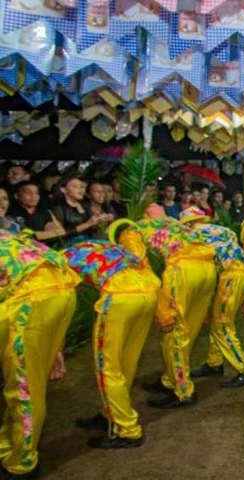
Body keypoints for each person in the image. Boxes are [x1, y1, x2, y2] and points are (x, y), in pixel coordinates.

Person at [109, 209, 217, 409]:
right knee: (190, 330)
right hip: (208, 270)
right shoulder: (175, 223)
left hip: (182, 272)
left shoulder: (130, 232)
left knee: (174, 332)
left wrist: (162, 311)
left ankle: (183, 391)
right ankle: (170, 379)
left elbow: (141, 266)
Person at [64, 239, 161, 449]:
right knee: (128, 360)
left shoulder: (65, 257)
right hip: (148, 294)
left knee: (108, 367)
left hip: (119, 299)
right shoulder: (107, 246)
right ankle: (111, 413)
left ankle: (127, 430)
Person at [0, 229, 81, 478]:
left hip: (31, 301)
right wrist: (55, 346)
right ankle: (8, 447)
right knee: (25, 382)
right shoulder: (7, 236)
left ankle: (22, 465)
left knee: (24, 389)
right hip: (57, 293)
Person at [179, 207, 244, 388]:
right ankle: (214, 362)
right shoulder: (222, 230)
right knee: (219, 321)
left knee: (221, 326)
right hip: (242, 274)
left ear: (188, 224)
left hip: (231, 277)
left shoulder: (192, 237)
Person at [51, 177, 111, 245]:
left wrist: (99, 221)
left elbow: (90, 228)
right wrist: (87, 224)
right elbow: (57, 235)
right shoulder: (59, 209)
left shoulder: (84, 206)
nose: (80, 190)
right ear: (63, 189)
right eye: (75, 186)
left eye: (81, 187)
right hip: (70, 247)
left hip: (89, 243)